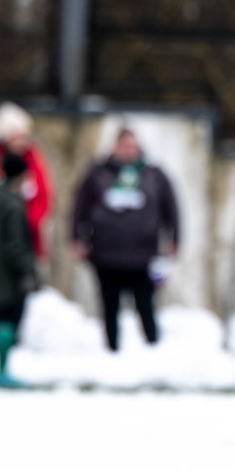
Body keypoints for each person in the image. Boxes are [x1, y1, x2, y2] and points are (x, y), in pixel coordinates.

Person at [71, 125, 180, 353]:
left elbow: (171, 208)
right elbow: (79, 206)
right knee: (109, 307)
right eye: (125, 145)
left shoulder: (153, 175)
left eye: (133, 145)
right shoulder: (98, 173)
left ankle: (154, 350)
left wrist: (174, 240)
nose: (129, 150)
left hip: (143, 255)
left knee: (146, 306)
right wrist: (77, 238)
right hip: (106, 254)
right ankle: (112, 350)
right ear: (115, 146)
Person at [0, 104, 52, 388]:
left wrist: (22, 224)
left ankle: (6, 353)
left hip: (22, 245)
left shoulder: (34, 165)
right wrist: (0, 227)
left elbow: (43, 201)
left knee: (16, 300)